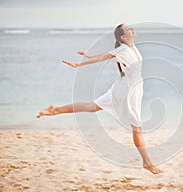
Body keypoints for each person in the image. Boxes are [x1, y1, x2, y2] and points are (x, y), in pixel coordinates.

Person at [36, 24, 164, 174]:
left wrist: (89, 56)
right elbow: (103, 57)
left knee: (92, 107)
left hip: (129, 87)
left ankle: (56, 110)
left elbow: (107, 53)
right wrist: (79, 64)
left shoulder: (129, 48)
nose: (132, 29)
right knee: (136, 127)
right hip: (127, 90)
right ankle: (147, 162)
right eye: (128, 29)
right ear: (123, 37)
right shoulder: (123, 49)